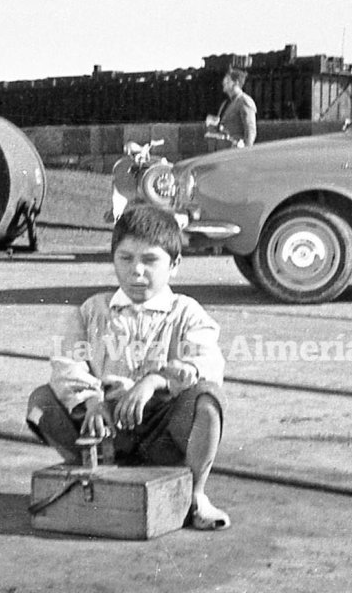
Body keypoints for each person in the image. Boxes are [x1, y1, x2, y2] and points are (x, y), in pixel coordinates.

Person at [25, 205, 231, 531]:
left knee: (208, 399)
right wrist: (91, 401)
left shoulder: (187, 312)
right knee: (40, 403)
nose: (136, 271)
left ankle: (194, 496)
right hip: (106, 428)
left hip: (162, 432)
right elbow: (67, 362)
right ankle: (95, 475)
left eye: (150, 260)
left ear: (174, 264)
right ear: (114, 260)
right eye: (125, 258)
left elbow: (206, 363)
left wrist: (155, 381)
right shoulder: (92, 310)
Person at [205, 68, 257, 149]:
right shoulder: (225, 104)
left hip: (236, 151)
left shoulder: (244, 101)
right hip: (224, 151)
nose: (223, 82)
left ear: (236, 83)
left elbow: (250, 130)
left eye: (227, 80)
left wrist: (246, 151)